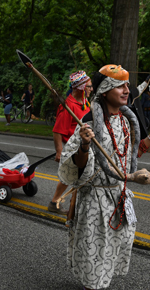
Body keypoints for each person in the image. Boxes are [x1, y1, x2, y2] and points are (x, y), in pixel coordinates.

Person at [58, 64, 150, 290]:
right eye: (119, 85)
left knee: (113, 242)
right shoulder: (88, 123)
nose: (125, 89)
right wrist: (85, 146)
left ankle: (96, 280)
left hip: (118, 193)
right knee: (96, 244)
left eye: (126, 85)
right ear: (105, 90)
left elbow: (127, 158)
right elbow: (75, 165)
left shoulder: (125, 120)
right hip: (96, 195)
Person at [48, 71, 91, 215]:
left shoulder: (85, 103)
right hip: (71, 147)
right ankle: (55, 202)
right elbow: (57, 131)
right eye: (89, 87)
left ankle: (72, 204)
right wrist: (60, 152)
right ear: (81, 88)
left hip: (84, 145)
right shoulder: (68, 106)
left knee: (79, 176)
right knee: (72, 175)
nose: (92, 89)